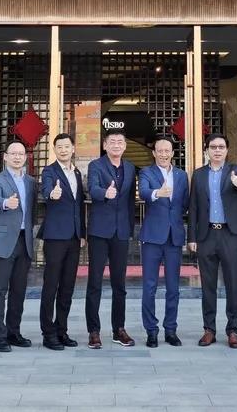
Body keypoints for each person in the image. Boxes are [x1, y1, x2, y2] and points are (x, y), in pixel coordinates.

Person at [188, 133, 237, 349]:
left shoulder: (235, 170)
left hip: (229, 235)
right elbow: (193, 206)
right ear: (206, 150)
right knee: (208, 285)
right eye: (213, 147)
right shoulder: (198, 175)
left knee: (232, 283)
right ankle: (209, 330)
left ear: (227, 150)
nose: (217, 150)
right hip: (206, 235)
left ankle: (232, 330)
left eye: (221, 147)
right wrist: (192, 237)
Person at [85, 129, 138, 349]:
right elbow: (92, 189)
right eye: (112, 141)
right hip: (99, 231)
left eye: (120, 142)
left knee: (119, 284)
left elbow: (130, 201)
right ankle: (94, 331)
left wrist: (130, 228)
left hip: (121, 231)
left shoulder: (130, 167)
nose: (116, 145)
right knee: (95, 283)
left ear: (125, 146)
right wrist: (104, 194)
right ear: (105, 145)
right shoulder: (96, 166)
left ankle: (119, 329)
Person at [138, 136, 189, 348]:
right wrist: (157, 193)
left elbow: (184, 203)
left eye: (167, 151)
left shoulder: (181, 175)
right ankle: (151, 331)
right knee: (149, 286)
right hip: (152, 236)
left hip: (174, 236)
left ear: (172, 153)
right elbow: (143, 192)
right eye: (160, 151)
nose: (164, 154)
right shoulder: (146, 172)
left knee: (173, 287)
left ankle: (170, 329)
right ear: (154, 153)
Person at [0, 139, 37, 352]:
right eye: (13, 153)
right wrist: (6, 203)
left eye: (21, 154)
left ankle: (13, 332)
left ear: (25, 157)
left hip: (25, 241)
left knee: (19, 290)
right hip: (4, 241)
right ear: (5, 157)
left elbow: (33, 211)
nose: (17, 157)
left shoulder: (31, 182)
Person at [38, 133, 86, 350]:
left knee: (67, 287)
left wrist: (82, 233)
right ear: (54, 150)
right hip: (55, 237)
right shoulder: (49, 171)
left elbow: (80, 206)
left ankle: (61, 330)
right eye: (59, 147)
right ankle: (48, 333)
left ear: (73, 149)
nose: (64, 150)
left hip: (74, 238)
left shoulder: (76, 172)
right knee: (51, 286)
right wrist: (52, 193)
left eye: (67, 146)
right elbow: (46, 190)